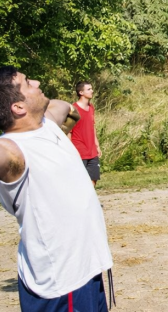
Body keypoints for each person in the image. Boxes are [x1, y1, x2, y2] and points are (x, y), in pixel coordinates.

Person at [0, 66, 114, 310]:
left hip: (87, 270)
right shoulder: (12, 150)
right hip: (61, 284)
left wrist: (68, 116)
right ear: (18, 107)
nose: (38, 82)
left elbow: (63, 107)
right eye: (28, 82)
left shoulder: (46, 124)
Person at [71, 81, 102, 187]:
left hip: (91, 149)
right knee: (79, 180)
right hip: (79, 149)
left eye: (91, 88)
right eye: (89, 89)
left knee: (93, 178)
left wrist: (97, 145)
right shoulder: (73, 109)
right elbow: (68, 131)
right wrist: (70, 150)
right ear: (81, 92)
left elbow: (92, 126)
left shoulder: (91, 107)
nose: (92, 91)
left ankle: (90, 202)